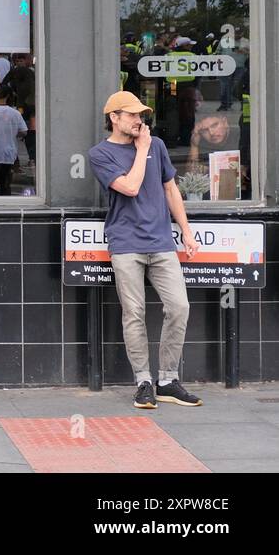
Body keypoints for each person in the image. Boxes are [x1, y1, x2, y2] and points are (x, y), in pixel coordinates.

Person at [88, 91, 202, 410]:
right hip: (126, 243)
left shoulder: (158, 146)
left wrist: (187, 232)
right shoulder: (100, 153)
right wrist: (141, 150)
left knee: (179, 306)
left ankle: (166, 379)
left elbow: (170, 189)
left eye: (141, 115)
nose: (140, 120)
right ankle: (143, 381)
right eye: (133, 115)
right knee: (134, 313)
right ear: (114, 118)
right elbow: (130, 187)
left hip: (162, 241)